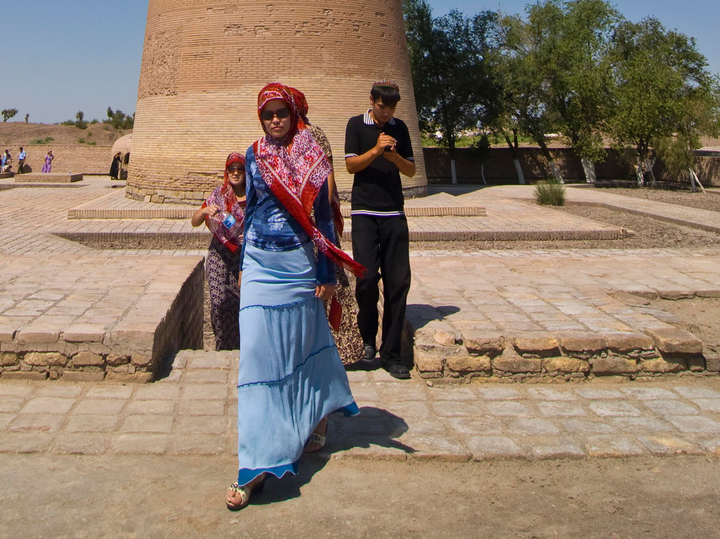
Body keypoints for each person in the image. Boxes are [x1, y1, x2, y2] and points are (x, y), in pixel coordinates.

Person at [226, 83, 364, 512]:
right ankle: (254, 465)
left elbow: (323, 216)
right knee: (255, 360)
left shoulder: (312, 155)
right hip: (260, 266)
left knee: (306, 346)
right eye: (267, 114)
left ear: (293, 114)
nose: (274, 120)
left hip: (299, 265)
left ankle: (316, 412)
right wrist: (244, 264)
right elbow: (249, 209)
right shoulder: (253, 154)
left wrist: (327, 272)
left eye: (281, 112)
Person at [344, 79, 416, 380]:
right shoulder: (356, 125)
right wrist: (375, 150)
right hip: (364, 212)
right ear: (372, 101)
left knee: (398, 282)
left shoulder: (400, 128)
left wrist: (394, 156)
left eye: (392, 108)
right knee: (367, 277)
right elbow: (351, 166)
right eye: (382, 106)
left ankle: (392, 354)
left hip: (393, 212)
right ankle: (367, 338)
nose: (386, 113)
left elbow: (410, 170)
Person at [290, 87, 364, 365]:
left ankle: (342, 352)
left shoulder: (314, 134)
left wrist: (319, 211)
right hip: (297, 221)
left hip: (316, 219)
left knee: (331, 280)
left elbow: (328, 177)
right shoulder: (287, 139)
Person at [191, 153, 246, 351]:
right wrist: (205, 211)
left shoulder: (254, 198)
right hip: (218, 252)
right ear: (227, 172)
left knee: (238, 301)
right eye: (232, 169)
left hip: (242, 256)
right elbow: (195, 221)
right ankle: (221, 342)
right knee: (218, 299)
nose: (236, 173)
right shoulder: (219, 195)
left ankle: (238, 345)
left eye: (240, 169)